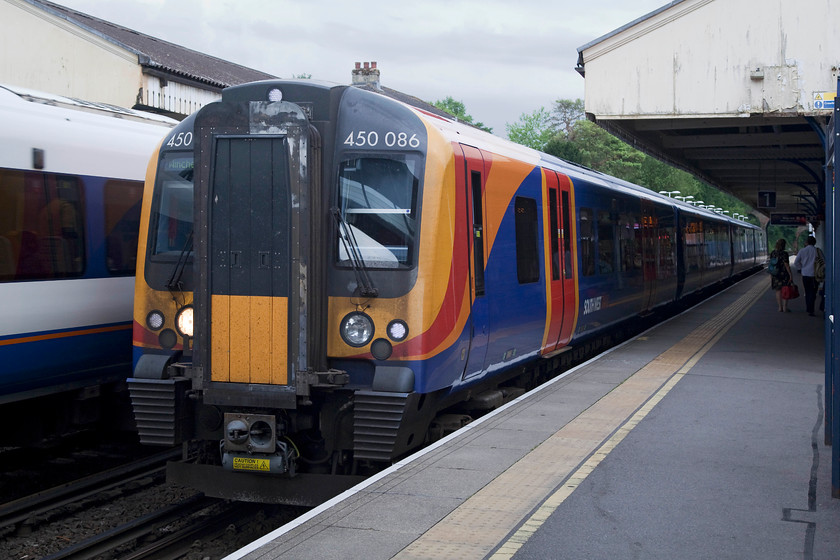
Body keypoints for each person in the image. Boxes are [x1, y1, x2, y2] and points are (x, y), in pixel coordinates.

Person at [794, 236, 818, 316]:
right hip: (815, 275)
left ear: (806, 242)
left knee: (807, 292)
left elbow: (796, 262)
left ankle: (809, 308)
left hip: (805, 275)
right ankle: (811, 309)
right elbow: (823, 262)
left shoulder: (802, 251)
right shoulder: (817, 251)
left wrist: (801, 269)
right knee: (813, 292)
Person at [770, 238, 793, 312]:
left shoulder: (773, 253)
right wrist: (790, 275)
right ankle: (785, 307)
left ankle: (780, 307)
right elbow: (786, 265)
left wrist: (771, 274)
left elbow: (771, 264)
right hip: (784, 274)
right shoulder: (784, 253)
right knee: (785, 290)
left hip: (775, 274)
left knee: (778, 290)